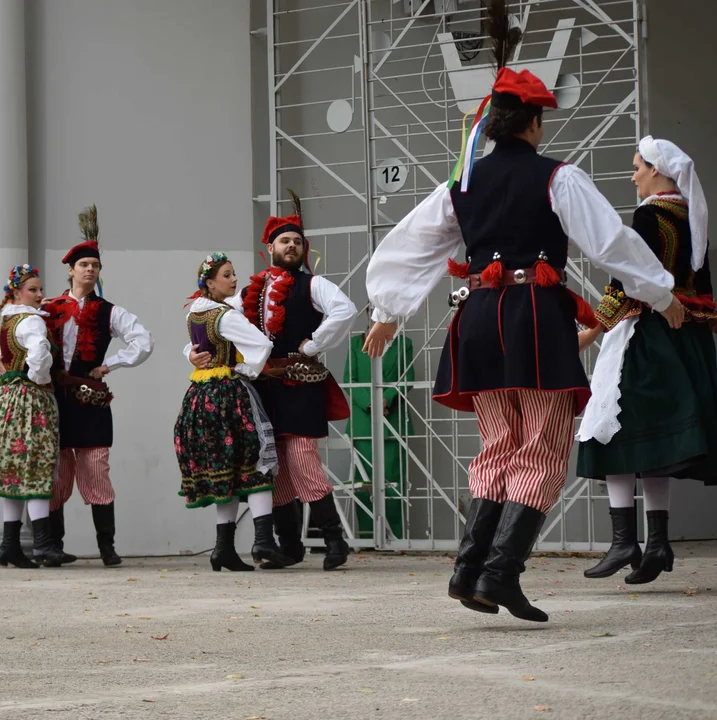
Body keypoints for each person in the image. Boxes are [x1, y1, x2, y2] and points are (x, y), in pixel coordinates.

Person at [362, 1, 682, 622]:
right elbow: (612, 244)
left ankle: (469, 572)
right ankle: (498, 575)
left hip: (479, 319)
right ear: (532, 125)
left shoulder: (462, 183)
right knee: (540, 446)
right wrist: (662, 295)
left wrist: (389, 309)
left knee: (501, 445)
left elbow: (410, 243)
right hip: (532, 317)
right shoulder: (556, 178)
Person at [191, 193, 357, 571]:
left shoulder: (313, 285)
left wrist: (314, 344)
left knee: (302, 459)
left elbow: (344, 309)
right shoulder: (248, 291)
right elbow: (212, 323)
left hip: (300, 384)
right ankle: (287, 546)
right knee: (273, 465)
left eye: (298, 242)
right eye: (285, 241)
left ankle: (334, 540)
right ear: (270, 248)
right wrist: (192, 352)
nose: (292, 246)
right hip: (263, 389)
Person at [577, 137, 717, 584]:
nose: (633, 174)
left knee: (614, 433)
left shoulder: (649, 214)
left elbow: (629, 276)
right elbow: (701, 285)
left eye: (637, 166)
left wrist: (595, 327)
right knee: (656, 444)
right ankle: (657, 543)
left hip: (647, 336)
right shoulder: (691, 217)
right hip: (685, 339)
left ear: (657, 171)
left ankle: (624, 542)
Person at [42, 206, 153, 567]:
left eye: (95, 265)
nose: (90, 270)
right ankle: (51, 546)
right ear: (71, 271)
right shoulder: (49, 308)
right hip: (55, 399)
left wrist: (111, 364)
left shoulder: (110, 311)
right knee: (56, 474)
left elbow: (143, 341)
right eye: (84, 265)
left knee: (96, 470)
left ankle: (107, 547)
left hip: (90, 400)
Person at [174, 253, 294, 571]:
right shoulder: (225, 316)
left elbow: (192, 349)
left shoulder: (194, 315)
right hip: (229, 394)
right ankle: (263, 541)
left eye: (233, 274)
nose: (233, 280)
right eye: (227, 275)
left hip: (199, 397)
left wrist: (193, 357)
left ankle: (222, 549)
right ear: (210, 283)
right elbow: (262, 345)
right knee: (257, 464)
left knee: (226, 470)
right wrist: (243, 367)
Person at [0, 264, 66, 568]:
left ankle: (9, 545)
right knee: (34, 468)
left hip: (3, 399)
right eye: (32, 289)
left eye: (39, 289)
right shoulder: (31, 322)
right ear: (16, 292)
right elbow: (39, 353)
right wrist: (37, 377)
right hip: (27, 400)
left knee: (14, 472)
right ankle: (44, 544)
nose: (39, 294)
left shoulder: (9, 321)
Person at [345, 306, 413, 540]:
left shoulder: (404, 343)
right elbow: (349, 379)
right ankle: (366, 537)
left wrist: (387, 399)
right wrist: (371, 402)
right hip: (363, 422)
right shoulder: (356, 344)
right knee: (364, 481)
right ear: (367, 314)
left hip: (393, 419)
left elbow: (408, 379)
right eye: (373, 310)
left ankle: (394, 538)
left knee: (393, 480)